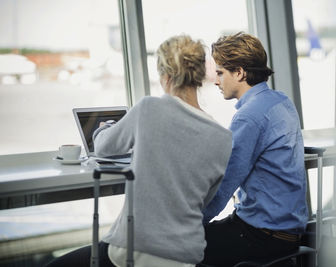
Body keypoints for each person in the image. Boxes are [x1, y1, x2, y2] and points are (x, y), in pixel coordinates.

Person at [46, 35, 232, 267]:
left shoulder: (150, 108)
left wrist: (104, 129)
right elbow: (206, 198)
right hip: (186, 257)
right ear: (197, 77)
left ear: (166, 77)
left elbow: (103, 148)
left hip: (135, 250)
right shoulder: (223, 137)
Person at [200, 32, 308, 266]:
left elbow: (225, 184)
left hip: (261, 234)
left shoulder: (249, 117)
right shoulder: (281, 101)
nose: (216, 81)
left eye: (220, 73)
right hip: (289, 231)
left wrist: (187, 224)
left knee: (180, 245)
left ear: (239, 72)